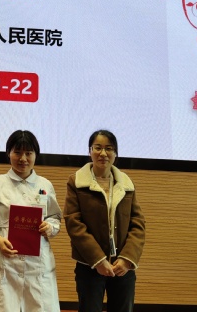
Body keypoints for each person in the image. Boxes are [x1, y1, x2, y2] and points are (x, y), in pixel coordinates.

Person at [0, 130, 62, 312]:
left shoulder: (45, 185)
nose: (23, 158)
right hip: (4, 261)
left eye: (28, 153)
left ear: (35, 155)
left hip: (37, 263)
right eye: (17, 152)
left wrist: (50, 227)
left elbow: (55, 217)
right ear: (8, 153)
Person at [63, 130, 146, 312]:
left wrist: (127, 259)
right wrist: (98, 260)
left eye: (109, 148)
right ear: (90, 151)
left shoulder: (126, 183)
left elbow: (138, 223)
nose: (103, 153)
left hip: (122, 266)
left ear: (115, 153)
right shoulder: (76, 182)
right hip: (89, 265)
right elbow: (74, 223)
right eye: (98, 148)